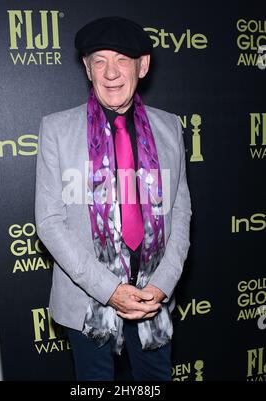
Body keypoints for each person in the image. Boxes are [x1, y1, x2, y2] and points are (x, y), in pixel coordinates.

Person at [35, 16, 192, 381]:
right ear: (87, 69)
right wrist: (110, 291)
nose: (111, 73)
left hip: (153, 300)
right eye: (100, 60)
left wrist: (162, 285)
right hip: (87, 301)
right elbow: (49, 222)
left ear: (143, 65)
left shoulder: (169, 127)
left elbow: (181, 212)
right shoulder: (56, 130)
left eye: (122, 59)